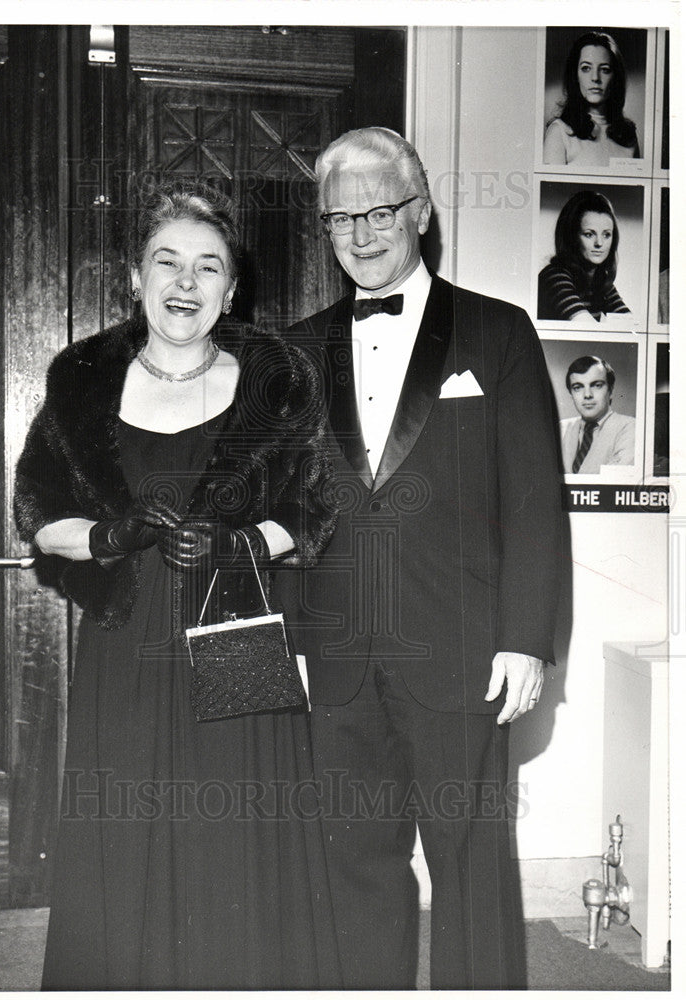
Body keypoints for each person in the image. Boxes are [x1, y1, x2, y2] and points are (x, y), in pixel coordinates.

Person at [14, 181, 341, 990]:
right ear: (136, 275)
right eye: (168, 262)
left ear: (232, 289)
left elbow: (313, 510)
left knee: (235, 853)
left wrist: (240, 545)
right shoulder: (81, 378)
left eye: (207, 267)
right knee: (124, 845)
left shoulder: (278, 380)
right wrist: (108, 537)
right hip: (127, 646)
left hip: (236, 635)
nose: (185, 284)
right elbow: (37, 514)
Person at [280, 127, 562, 990]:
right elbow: (279, 511)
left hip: (464, 651)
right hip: (334, 660)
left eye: (379, 212)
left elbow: (534, 502)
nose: (361, 236)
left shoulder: (498, 332)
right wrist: (285, 641)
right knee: (352, 868)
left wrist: (526, 638)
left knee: (474, 872)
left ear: (423, 209)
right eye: (340, 220)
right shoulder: (289, 350)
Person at [543, 30, 640, 166]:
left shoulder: (628, 135)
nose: (595, 78)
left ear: (615, 78)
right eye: (586, 68)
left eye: (605, 69)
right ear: (575, 76)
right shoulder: (559, 132)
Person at [537, 190, 631, 324]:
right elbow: (587, 328)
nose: (599, 243)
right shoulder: (554, 276)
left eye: (606, 235)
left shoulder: (600, 280)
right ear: (572, 237)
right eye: (589, 234)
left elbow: (630, 326)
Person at [560, 356, 636, 473]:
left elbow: (613, 480)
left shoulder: (631, 427)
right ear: (571, 395)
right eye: (578, 387)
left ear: (610, 391)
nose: (587, 395)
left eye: (597, 385)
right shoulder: (561, 428)